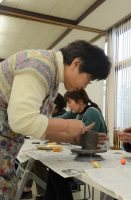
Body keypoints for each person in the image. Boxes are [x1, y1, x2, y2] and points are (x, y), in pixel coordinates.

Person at [0, 40, 111, 199]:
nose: (85, 86)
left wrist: (73, 138)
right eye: (88, 79)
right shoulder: (39, 67)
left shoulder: (51, 76)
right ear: (76, 63)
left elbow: (39, 127)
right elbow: (22, 120)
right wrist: (67, 125)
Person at [45, 89, 108, 200]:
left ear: (79, 101)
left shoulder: (91, 112)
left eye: (70, 102)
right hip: (86, 154)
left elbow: (87, 141)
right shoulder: (78, 113)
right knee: (54, 169)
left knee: (56, 172)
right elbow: (61, 119)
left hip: (97, 156)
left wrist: (64, 137)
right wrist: (45, 122)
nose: (68, 106)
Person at [21, 93, 68, 200]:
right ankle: (27, 189)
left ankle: (41, 193)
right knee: (28, 159)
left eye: (51, 105)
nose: (48, 108)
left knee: (36, 162)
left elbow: (55, 133)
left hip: (60, 148)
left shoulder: (63, 115)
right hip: (51, 145)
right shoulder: (52, 114)